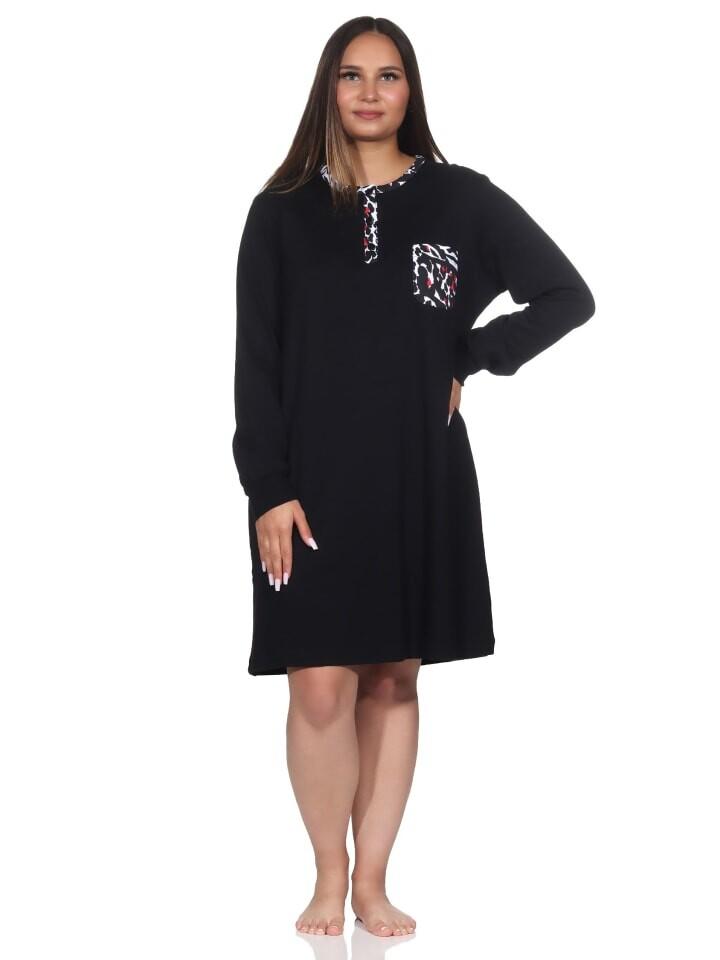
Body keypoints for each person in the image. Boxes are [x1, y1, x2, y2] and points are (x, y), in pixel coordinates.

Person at [231, 17, 595, 939]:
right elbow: (256, 362)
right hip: (308, 481)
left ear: (410, 91)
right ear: (329, 87)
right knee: (319, 683)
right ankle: (327, 873)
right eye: (352, 75)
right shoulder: (280, 213)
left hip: (416, 472)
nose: (369, 92)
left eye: (388, 76)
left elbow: (567, 295)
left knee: (393, 677)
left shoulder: (460, 200)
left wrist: (467, 354)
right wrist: (267, 487)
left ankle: (373, 883)